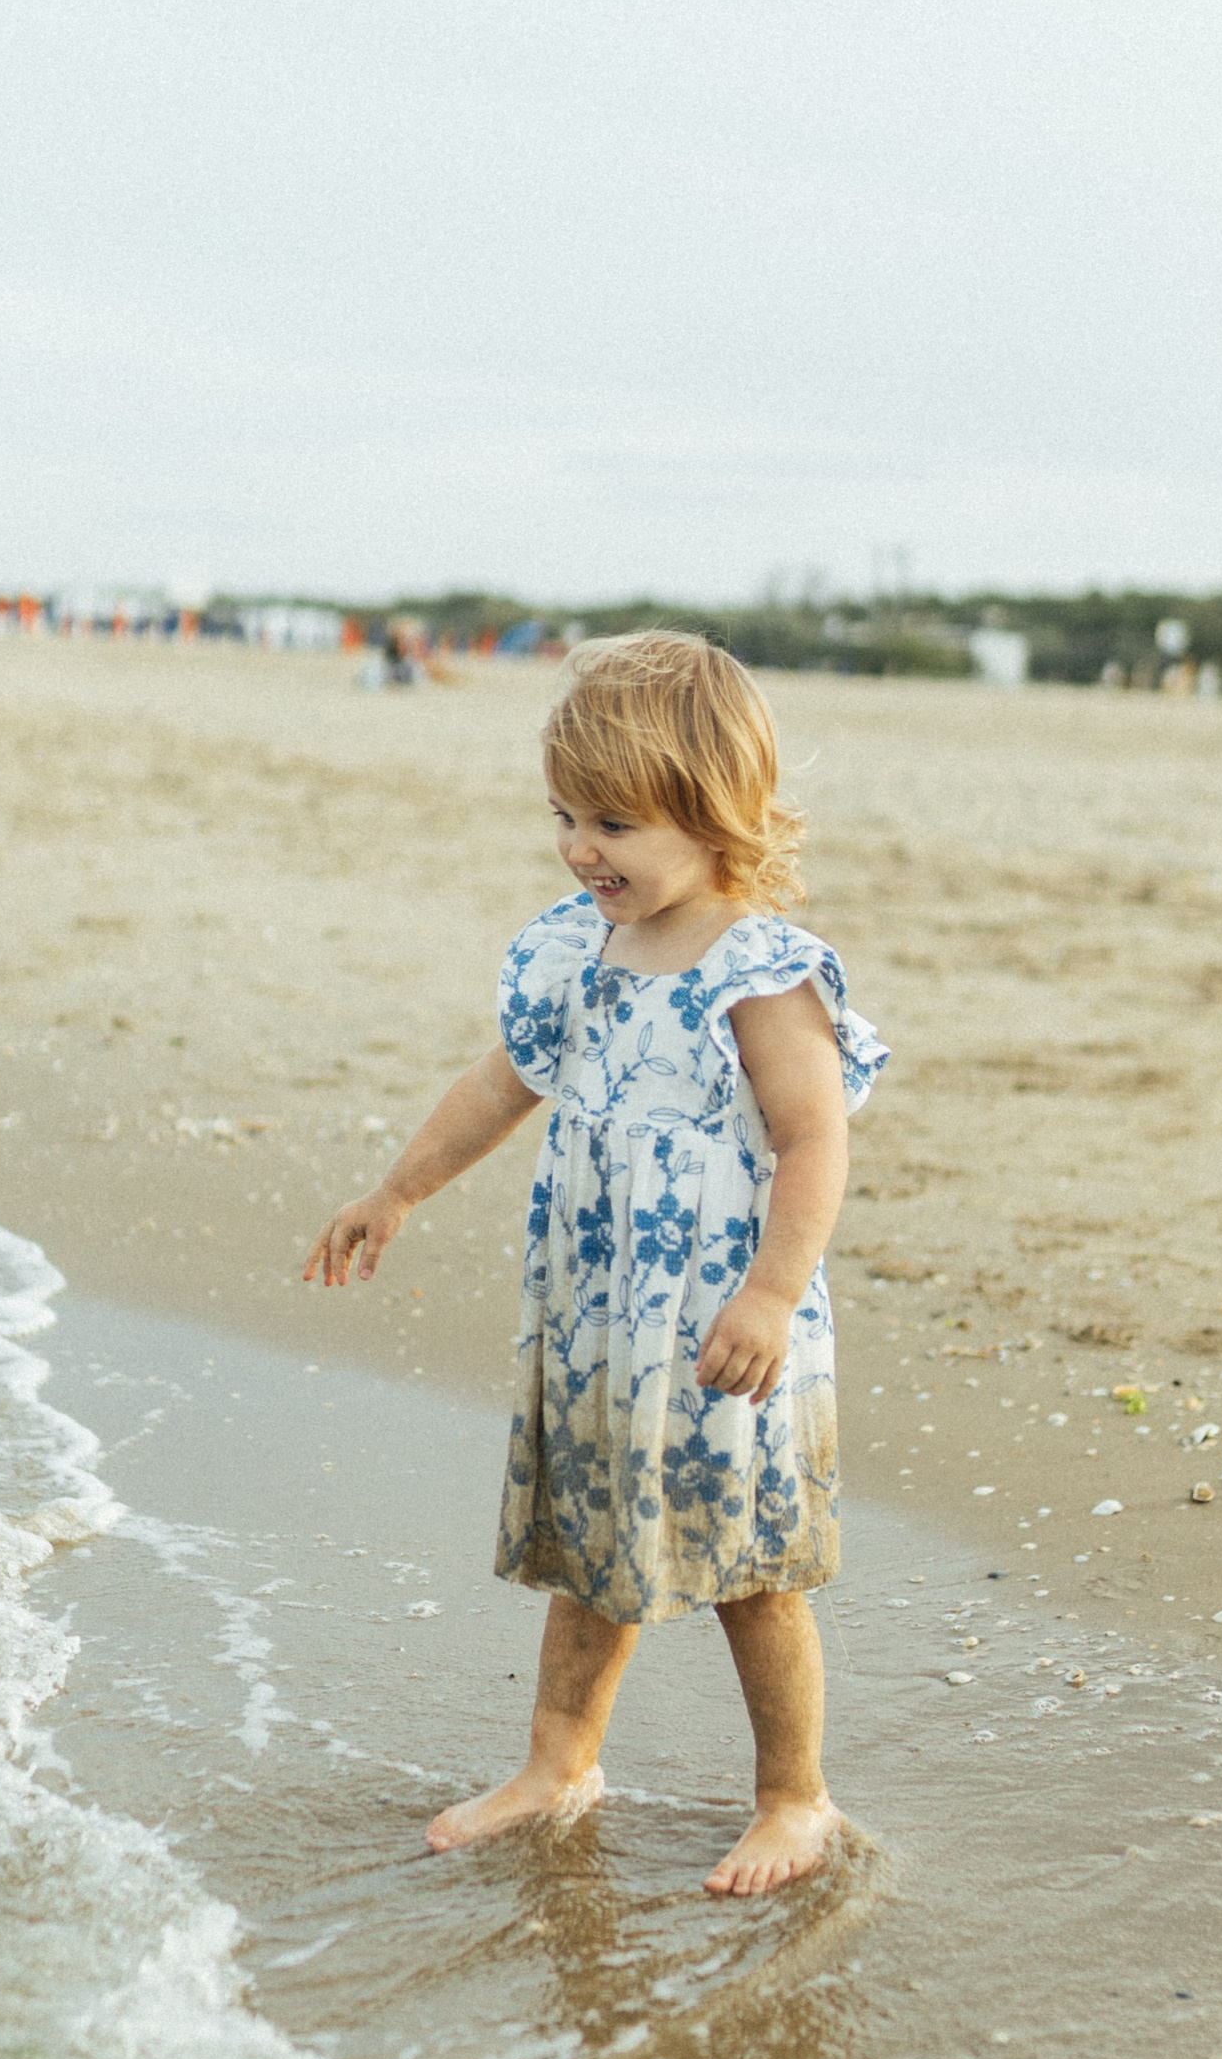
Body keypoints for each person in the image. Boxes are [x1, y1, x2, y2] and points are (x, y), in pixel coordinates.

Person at [303, 630, 887, 1895]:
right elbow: (503, 1082)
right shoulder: (576, 948)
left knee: (753, 1573)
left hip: (725, 1322)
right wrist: (397, 1189)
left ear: (714, 810)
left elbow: (812, 1138)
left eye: (615, 822)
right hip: (600, 1315)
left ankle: (795, 1797)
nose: (582, 848)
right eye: (567, 815)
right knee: (592, 1548)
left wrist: (774, 1292)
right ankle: (556, 1763)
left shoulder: (759, 970)